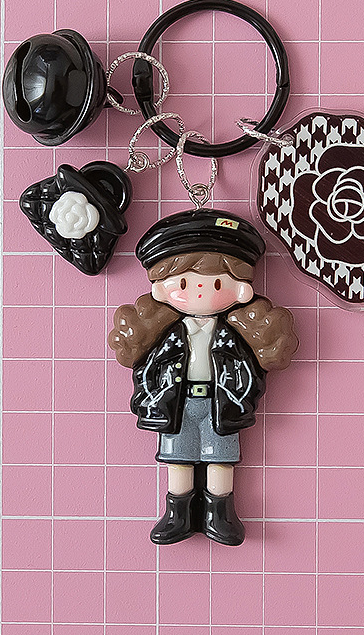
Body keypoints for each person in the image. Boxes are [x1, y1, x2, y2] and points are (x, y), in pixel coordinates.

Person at [108, 209, 298, 546]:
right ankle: (177, 515)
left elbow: (247, 372)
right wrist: (151, 399)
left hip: (220, 405)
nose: (198, 291)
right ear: (160, 288)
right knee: (178, 458)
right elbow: (149, 371)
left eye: (216, 284)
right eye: (183, 283)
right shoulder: (165, 338)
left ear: (241, 290)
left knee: (220, 459)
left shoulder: (234, 338)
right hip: (176, 406)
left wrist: (240, 397)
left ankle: (219, 514)